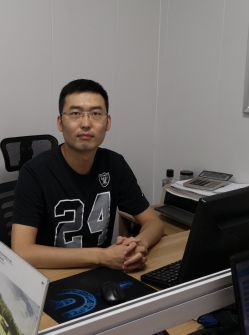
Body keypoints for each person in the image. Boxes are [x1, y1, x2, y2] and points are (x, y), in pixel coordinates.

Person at [11, 79, 164, 271]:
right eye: (75, 113)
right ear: (60, 122)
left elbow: (154, 222)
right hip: (51, 274)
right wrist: (102, 256)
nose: (86, 123)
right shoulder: (34, 172)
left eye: (96, 114)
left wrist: (137, 247)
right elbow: (22, 252)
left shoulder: (115, 164)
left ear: (108, 122)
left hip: (101, 273)